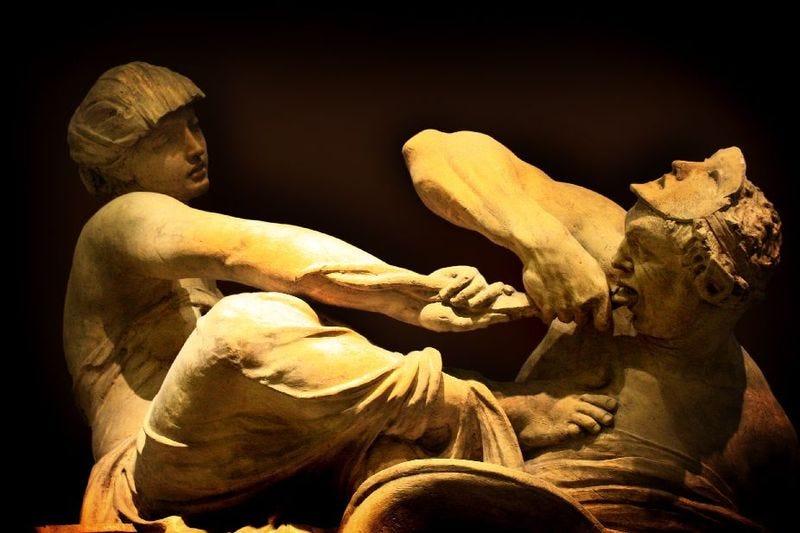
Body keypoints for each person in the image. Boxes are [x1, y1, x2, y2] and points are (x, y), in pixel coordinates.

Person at [64, 63, 617, 531]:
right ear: (115, 165)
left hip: (264, 462)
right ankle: (484, 407)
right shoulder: (118, 221)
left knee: (393, 458)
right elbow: (246, 250)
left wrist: (412, 292)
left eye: (193, 126)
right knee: (244, 326)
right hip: (152, 476)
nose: (193, 147)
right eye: (164, 140)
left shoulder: (163, 258)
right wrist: (410, 293)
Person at [404, 130, 799, 530]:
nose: (618, 257)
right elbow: (434, 150)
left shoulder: (758, 431)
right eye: (628, 236)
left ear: (712, 288)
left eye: (642, 249)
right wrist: (543, 244)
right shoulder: (608, 247)